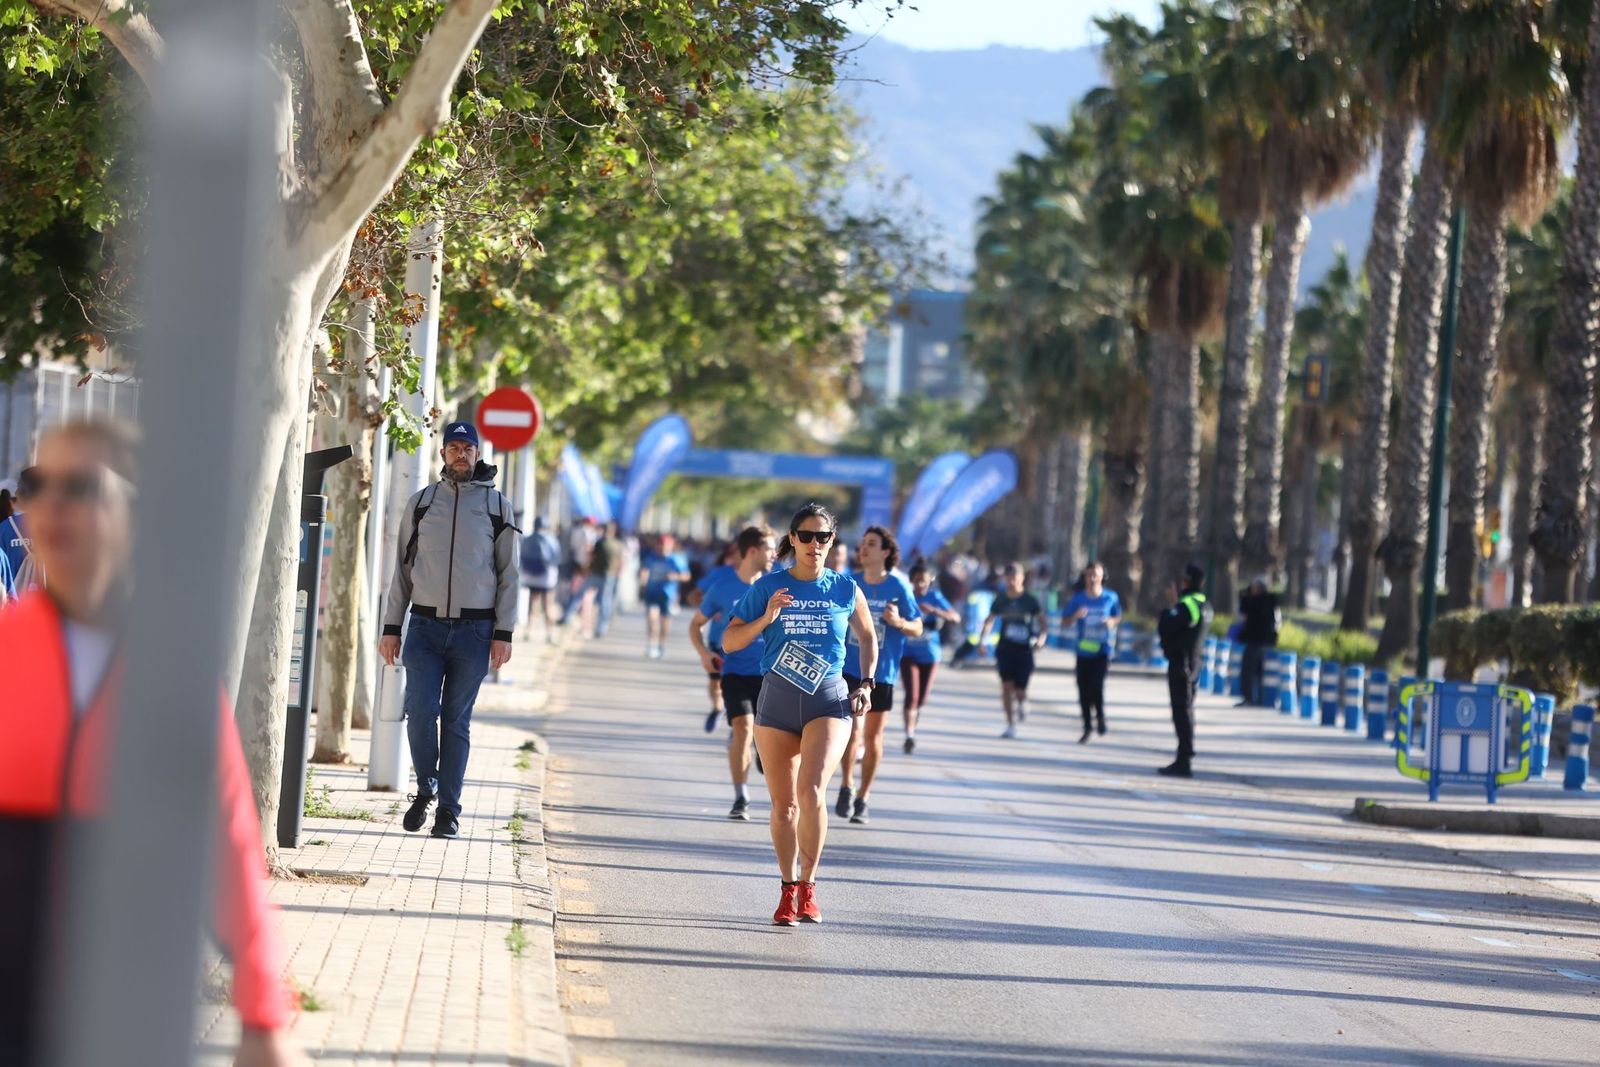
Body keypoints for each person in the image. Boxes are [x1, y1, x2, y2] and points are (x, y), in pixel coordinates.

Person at [0, 420, 304, 1066]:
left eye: (81, 486)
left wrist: (263, 1017)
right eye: (38, 484)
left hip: (131, 1005)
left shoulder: (171, 672)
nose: (52, 505)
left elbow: (229, 846)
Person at [722, 503, 878, 926]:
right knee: (784, 807)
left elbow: (867, 636)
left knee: (810, 793)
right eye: (805, 536)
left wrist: (866, 684)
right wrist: (766, 618)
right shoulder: (769, 586)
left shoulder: (844, 588)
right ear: (792, 539)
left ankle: (809, 887)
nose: (814, 544)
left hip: (828, 699)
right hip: (776, 700)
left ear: (832, 541)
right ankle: (787, 888)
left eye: (822, 537)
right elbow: (730, 641)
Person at [378, 421, 519, 839]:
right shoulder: (422, 504)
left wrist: (504, 632)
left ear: (477, 454)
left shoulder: (497, 508)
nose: (461, 454)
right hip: (424, 627)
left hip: (475, 632)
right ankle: (427, 787)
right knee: (421, 711)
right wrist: (391, 626)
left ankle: (448, 812)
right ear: (442, 454)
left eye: (467, 448)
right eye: (454, 447)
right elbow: (402, 571)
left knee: (456, 721)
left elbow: (510, 574)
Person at [688, 525, 777, 819]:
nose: (775, 555)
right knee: (743, 728)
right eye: (770, 549)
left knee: (764, 736)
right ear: (752, 551)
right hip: (734, 672)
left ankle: (760, 751)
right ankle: (741, 797)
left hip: (770, 675)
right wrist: (705, 654)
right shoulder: (722, 587)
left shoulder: (777, 586)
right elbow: (695, 624)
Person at [834, 526, 921, 825]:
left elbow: (918, 627)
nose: (863, 548)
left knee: (873, 738)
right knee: (852, 731)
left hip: (882, 673)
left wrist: (899, 623)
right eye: (862, 544)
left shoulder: (898, 588)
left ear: (886, 552)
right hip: (849, 668)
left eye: (871, 544)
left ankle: (863, 797)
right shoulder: (850, 583)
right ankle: (847, 784)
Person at [978, 562, 1048, 738]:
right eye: (1009, 578)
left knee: (1020, 689)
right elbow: (990, 620)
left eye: (1015, 577)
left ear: (1022, 578)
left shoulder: (1029, 600)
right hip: (1005, 649)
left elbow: (1042, 621)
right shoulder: (1001, 599)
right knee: (1006, 686)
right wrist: (982, 640)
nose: (1012, 581)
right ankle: (1011, 724)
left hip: (1024, 650)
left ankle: (1023, 701)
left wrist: (1041, 639)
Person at [1157, 564, 1213, 778]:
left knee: (1182, 711)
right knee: (1185, 710)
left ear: (1186, 582)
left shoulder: (1188, 604)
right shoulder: (1205, 604)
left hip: (1182, 663)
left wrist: (1171, 607)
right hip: (1193, 662)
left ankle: (1184, 759)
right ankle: (1184, 756)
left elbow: (1167, 626)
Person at [899, 560, 958, 754]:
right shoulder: (905, 596)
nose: (920, 584)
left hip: (930, 655)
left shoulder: (935, 597)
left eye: (923, 580)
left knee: (922, 699)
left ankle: (913, 722)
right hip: (908, 653)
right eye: (916, 580)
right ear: (911, 580)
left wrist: (935, 611)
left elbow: (955, 617)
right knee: (912, 695)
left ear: (930, 580)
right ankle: (909, 735)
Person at [1063, 561, 1122, 742]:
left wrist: (1111, 622)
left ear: (1103, 576)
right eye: (1089, 575)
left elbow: (1117, 616)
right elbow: (1064, 622)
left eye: (1096, 574)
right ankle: (1087, 726)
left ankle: (1100, 716)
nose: (1093, 578)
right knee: (1083, 690)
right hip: (1083, 652)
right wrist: (1075, 616)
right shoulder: (1078, 599)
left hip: (1102, 651)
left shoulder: (1110, 597)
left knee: (1096, 686)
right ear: (1085, 578)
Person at [690, 542, 740, 731]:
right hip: (718, 640)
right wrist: (709, 609)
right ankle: (717, 708)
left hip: (749, 645)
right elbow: (694, 596)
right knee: (716, 682)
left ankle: (738, 724)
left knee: (740, 685)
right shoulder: (721, 574)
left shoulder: (766, 575)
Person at [638, 532, 690, 659]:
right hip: (652, 592)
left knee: (664, 621)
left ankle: (661, 645)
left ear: (671, 546)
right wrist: (643, 582)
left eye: (665, 545)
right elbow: (644, 570)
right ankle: (651, 645)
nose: (662, 548)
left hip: (667, 595)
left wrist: (675, 576)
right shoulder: (651, 557)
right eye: (660, 545)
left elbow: (686, 576)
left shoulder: (675, 559)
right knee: (652, 618)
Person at [1237, 576, 1280, 707]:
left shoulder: (1256, 602)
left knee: (1249, 671)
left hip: (1257, 641)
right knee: (1259, 672)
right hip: (1264, 641)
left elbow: (1244, 613)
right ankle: (1259, 699)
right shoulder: (1271, 601)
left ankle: (1250, 698)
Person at [519, 516, 562, 644]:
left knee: (532, 605)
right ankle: (550, 634)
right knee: (548, 605)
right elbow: (556, 558)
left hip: (531, 577)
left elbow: (522, 557)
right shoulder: (551, 539)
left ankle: (527, 632)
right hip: (547, 578)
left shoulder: (527, 539)